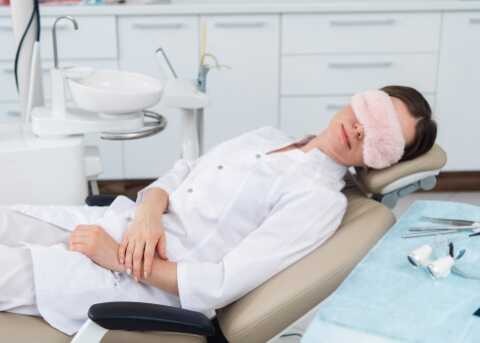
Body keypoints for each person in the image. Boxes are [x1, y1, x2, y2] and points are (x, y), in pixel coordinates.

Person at [0, 85, 436, 335]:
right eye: (372, 112)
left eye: (381, 137)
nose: (361, 129)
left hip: (129, 278)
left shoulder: (318, 200)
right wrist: (149, 206)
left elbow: (221, 283)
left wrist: (119, 258)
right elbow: (184, 171)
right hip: (111, 223)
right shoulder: (268, 136)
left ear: (380, 158)